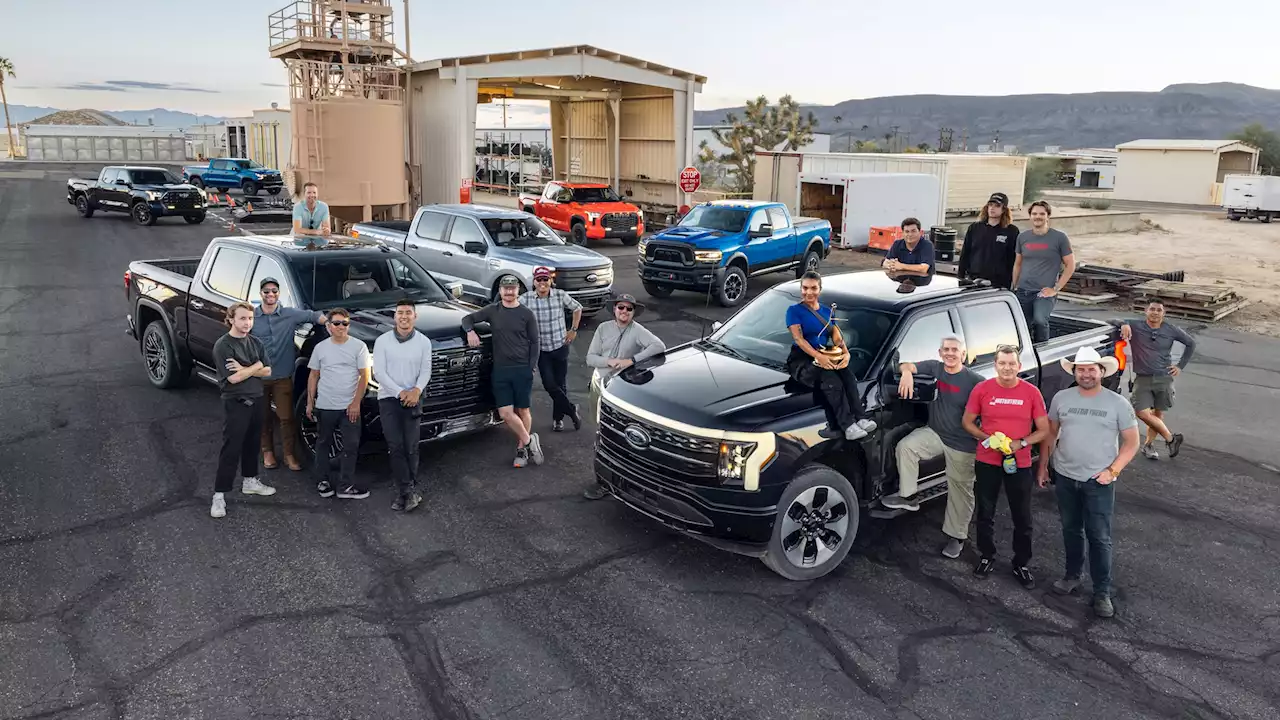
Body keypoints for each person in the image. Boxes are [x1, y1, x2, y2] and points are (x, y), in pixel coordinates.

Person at [1038, 347, 1140, 618]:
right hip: (1065, 476)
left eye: (1091, 369)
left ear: (1101, 372)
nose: (1085, 374)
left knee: (1099, 537)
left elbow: (1132, 442)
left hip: (1099, 481)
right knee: (1071, 529)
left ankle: (1101, 592)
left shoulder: (1117, 403)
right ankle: (1072, 576)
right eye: (1080, 369)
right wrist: (1044, 466)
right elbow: (1051, 433)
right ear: (1074, 372)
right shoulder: (1061, 398)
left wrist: (1113, 471)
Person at [885, 335, 985, 559]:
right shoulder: (934, 368)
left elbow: (990, 406)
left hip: (962, 442)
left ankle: (956, 537)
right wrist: (908, 374)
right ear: (940, 353)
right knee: (906, 447)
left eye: (955, 350)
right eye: (946, 349)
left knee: (961, 491)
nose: (950, 353)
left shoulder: (975, 381)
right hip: (936, 433)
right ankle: (909, 497)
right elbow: (905, 365)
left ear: (963, 354)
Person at [962, 345, 1051, 588]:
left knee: (1022, 516)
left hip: (1019, 463)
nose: (1007, 368)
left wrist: (1020, 442)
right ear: (996, 365)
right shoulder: (982, 389)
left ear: (1019, 367)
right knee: (985, 512)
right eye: (1002, 363)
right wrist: (986, 438)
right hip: (987, 460)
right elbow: (967, 422)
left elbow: (1044, 430)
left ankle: (1021, 563)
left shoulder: (1031, 393)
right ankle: (987, 556)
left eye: (1012, 364)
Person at [582, 293, 667, 500]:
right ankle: (603, 478)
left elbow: (659, 346)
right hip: (600, 384)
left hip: (621, 391)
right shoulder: (603, 329)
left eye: (629, 309)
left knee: (620, 437)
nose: (624, 312)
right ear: (614, 309)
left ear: (633, 313)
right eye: (621, 307)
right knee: (600, 431)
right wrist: (610, 362)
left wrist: (632, 360)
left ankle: (615, 481)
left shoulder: (638, 331)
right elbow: (590, 358)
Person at [785, 271, 878, 441]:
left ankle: (860, 417)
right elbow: (798, 339)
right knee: (831, 381)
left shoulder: (827, 311)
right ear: (801, 289)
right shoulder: (794, 311)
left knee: (848, 376)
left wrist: (846, 353)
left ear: (819, 290)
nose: (808, 292)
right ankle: (848, 425)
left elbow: (835, 334)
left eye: (813, 288)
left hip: (823, 352)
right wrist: (817, 357)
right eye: (805, 288)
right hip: (802, 360)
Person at [462, 276, 544, 468]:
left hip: (522, 369)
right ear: (500, 290)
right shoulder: (493, 310)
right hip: (501, 371)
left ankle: (521, 450)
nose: (509, 292)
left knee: (523, 410)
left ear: (518, 291)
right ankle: (530, 440)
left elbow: (535, 342)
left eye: (512, 288)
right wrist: (469, 331)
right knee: (506, 413)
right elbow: (468, 319)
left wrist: (531, 367)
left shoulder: (526, 314)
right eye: (505, 288)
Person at [252, 276, 327, 472]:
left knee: (286, 417)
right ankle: (267, 452)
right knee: (263, 417)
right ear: (260, 293)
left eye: (274, 291)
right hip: (257, 378)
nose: (270, 294)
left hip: (282, 376)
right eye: (266, 291)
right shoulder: (251, 317)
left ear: (279, 294)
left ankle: (289, 454)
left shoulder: (289, 315)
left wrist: (330, 322)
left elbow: (312, 315)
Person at [211, 302, 277, 519]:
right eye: (242, 318)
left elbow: (267, 370)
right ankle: (219, 496)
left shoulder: (255, 342)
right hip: (236, 402)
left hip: (257, 399)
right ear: (231, 319)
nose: (247, 323)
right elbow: (234, 378)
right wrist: (255, 367)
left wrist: (249, 368)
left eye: (250, 318)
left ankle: (250, 481)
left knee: (252, 443)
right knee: (231, 448)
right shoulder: (224, 346)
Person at [1115, 299, 1194, 460]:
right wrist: (1123, 324)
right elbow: (1112, 321)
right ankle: (1171, 438)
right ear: (1146, 311)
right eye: (1152, 309)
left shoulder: (1171, 329)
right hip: (1143, 378)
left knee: (1158, 414)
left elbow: (1190, 343)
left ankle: (1149, 446)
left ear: (1163, 313)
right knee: (1141, 412)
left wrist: (1180, 366)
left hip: (1164, 377)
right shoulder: (1136, 326)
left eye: (1159, 310)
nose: (1155, 312)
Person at [373, 299, 433, 512]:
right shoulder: (382, 341)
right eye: (400, 312)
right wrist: (400, 392)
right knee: (395, 446)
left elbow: (426, 370)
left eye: (408, 312)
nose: (404, 316)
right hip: (389, 399)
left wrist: (416, 390)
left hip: (414, 398)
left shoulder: (424, 342)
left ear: (415, 316)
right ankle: (406, 492)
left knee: (411, 447)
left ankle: (406, 491)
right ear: (394, 316)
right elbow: (378, 372)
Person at [305, 307, 372, 499]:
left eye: (345, 323)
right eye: (337, 323)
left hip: (349, 407)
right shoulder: (320, 348)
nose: (341, 327)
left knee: (351, 446)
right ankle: (323, 481)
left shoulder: (359, 346)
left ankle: (345, 486)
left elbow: (364, 376)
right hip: (325, 405)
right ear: (328, 327)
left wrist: (356, 403)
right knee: (323, 443)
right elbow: (313, 375)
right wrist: (310, 403)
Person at [520, 266, 584, 432]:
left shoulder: (560, 295)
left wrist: (573, 330)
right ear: (534, 282)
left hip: (560, 346)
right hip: (541, 351)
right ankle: (571, 410)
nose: (542, 283)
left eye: (545, 279)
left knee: (560, 384)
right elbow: (511, 309)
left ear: (551, 281)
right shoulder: (526, 299)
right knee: (549, 384)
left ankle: (558, 420)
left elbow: (577, 308)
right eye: (539, 280)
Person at [1012, 200, 1076, 344]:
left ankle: (1043, 352)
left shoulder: (1059, 238)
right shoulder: (1023, 237)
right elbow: (1018, 264)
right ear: (1030, 216)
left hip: (1044, 292)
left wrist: (1056, 289)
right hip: (1023, 290)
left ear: (1048, 216)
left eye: (1042, 213)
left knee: (1040, 321)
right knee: (1022, 326)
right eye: (1034, 213)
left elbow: (1070, 265)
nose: (1038, 217)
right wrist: (1014, 287)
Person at [958, 193, 1020, 289]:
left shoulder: (1011, 231)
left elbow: (1013, 259)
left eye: (997, 206)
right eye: (990, 205)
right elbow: (965, 253)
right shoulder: (975, 228)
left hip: (998, 284)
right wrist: (960, 277)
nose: (992, 208)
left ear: (1004, 209)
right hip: (973, 280)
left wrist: (1011, 284)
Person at [882, 217, 936, 293]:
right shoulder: (897, 244)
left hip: (922, 286)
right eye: (907, 231)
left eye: (913, 231)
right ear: (903, 233)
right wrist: (891, 266)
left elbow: (923, 269)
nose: (910, 234)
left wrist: (900, 266)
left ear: (920, 232)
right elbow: (885, 262)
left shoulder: (927, 245)